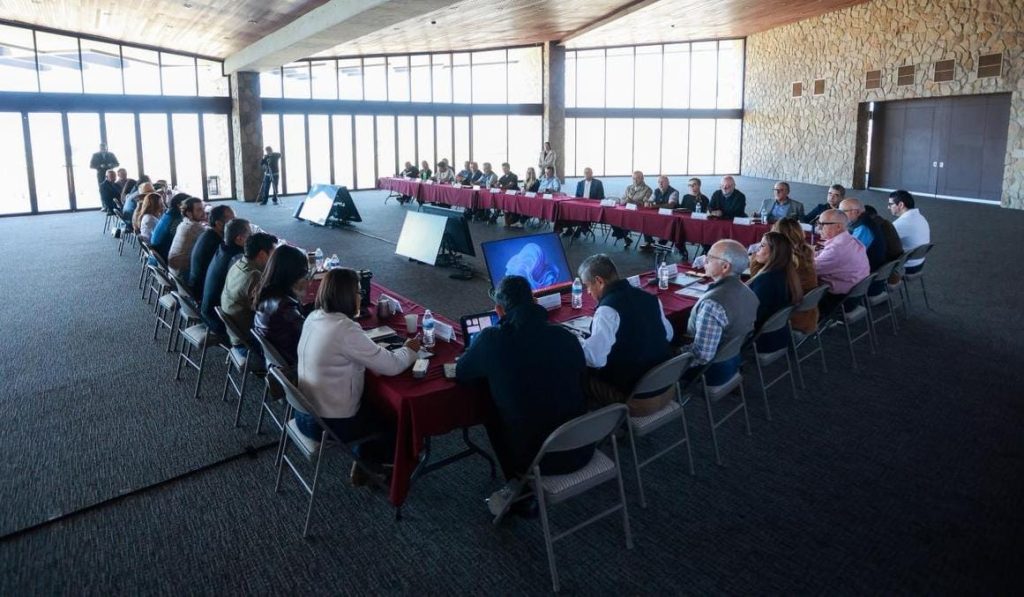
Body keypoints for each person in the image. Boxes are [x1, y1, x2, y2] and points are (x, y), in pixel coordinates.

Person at [456, 275, 591, 516]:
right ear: (535, 302)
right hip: (585, 443)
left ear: (499, 311)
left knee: (490, 406)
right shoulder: (567, 338)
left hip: (539, 459)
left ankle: (517, 484)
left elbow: (462, 372)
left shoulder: (491, 339)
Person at [296, 268, 419, 481]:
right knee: (394, 416)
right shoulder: (344, 329)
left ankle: (364, 462)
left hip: (304, 413)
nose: (361, 296)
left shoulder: (314, 316)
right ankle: (378, 468)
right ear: (347, 296)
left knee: (372, 400)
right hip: (328, 425)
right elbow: (391, 366)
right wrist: (410, 349)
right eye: (358, 292)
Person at [577, 254, 674, 416]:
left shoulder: (607, 310)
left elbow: (595, 359)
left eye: (587, 286)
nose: (588, 292)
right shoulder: (650, 298)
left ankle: (593, 430)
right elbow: (668, 335)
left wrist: (577, 341)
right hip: (667, 387)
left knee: (578, 374)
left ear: (599, 281)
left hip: (639, 401)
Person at [681, 240, 759, 385]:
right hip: (734, 360)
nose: (705, 260)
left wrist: (671, 356)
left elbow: (702, 355)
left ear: (725, 266)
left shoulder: (712, 304)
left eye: (710, 257)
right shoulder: (749, 292)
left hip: (711, 371)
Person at [252, 244, 310, 366]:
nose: (305, 277)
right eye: (304, 272)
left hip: (277, 362)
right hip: (297, 366)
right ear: (293, 274)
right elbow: (312, 338)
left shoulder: (265, 293)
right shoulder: (286, 309)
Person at [747, 232, 803, 353]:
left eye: (762, 246)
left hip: (762, 340)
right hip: (778, 335)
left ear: (774, 252)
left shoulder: (766, 280)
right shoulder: (787, 272)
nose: (757, 249)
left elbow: (751, 316)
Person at [221, 232, 278, 348]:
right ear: (262, 254)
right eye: (273, 255)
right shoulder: (254, 276)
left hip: (235, 332)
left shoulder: (238, 263)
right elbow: (269, 313)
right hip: (247, 341)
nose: (274, 260)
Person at [814, 209, 869, 319]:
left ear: (838, 227)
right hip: (855, 295)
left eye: (822, 224)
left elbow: (808, 270)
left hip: (839, 301)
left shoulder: (836, 249)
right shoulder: (851, 239)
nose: (818, 228)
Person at [769, 217, 819, 334]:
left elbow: (764, 284)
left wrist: (755, 260)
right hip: (807, 314)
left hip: (791, 317)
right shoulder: (805, 252)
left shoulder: (785, 260)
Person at [202, 218, 251, 335]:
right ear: (239, 239)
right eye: (250, 234)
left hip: (208, 310)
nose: (252, 237)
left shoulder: (223, 247)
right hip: (218, 320)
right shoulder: (236, 259)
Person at [188, 205, 235, 298]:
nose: (236, 223)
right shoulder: (216, 244)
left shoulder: (207, 234)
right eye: (232, 220)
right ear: (219, 224)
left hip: (196, 286)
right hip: (201, 293)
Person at [888, 190, 930, 274]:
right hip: (920, 262)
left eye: (890, 204)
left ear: (901, 205)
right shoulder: (921, 217)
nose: (888, 207)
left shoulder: (901, 224)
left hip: (907, 267)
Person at [839, 198, 886, 272]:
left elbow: (849, 254)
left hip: (866, 270)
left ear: (856, 212)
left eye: (842, 212)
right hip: (866, 265)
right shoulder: (864, 220)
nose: (840, 215)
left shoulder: (863, 228)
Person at [611, 171, 652, 248]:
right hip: (626, 211)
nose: (635, 180)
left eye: (637, 178)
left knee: (631, 221)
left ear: (643, 178)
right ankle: (625, 237)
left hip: (638, 213)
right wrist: (627, 200)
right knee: (613, 218)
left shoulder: (648, 189)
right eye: (633, 178)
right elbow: (622, 201)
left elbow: (644, 203)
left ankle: (648, 241)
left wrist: (631, 201)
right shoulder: (629, 188)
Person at [167, 197, 206, 278]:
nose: (203, 212)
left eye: (203, 209)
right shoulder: (195, 227)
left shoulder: (183, 223)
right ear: (189, 213)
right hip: (183, 276)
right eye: (199, 210)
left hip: (173, 273)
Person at [562, 167, 604, 238]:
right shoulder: (580, 183)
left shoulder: (598, 183)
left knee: (584, 214)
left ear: (591, 174)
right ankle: (570, 229)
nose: (587, 174)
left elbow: (600, 197)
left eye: (588, 173)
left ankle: (580, 229)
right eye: (585, 173)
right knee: (567, 211)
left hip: (592, 206)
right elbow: (577, 196)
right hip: (581, 204)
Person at [642, 175, 680, 250]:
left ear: (668, 183)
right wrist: (647, 202)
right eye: (659, 182)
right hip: (657, 215)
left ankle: (662, 243)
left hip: (670, 217)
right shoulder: (656, 191)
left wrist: (655, 205)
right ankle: (648, 242)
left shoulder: (674, 192)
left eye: (663, 182)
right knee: (646, 219)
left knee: (667, 224)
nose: (660, 184)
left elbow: (671, 205)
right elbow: (650, 200)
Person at [149, 193, 187, 262]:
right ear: (179, 206)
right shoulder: (176, 219)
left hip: (159, 251)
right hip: (166, 256)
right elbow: (180, 240)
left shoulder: (168, 214)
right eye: (188, 205)